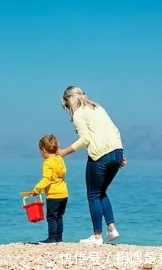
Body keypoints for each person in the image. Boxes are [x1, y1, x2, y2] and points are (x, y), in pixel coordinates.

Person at [57, 86, 127, 246]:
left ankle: (97, 237)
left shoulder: (79, 114)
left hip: (100, 155)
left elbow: (85, 139)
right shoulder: (98, 108)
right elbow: (115, 130)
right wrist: (120, 154)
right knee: (101, 192)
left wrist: (63, 152)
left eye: (67, 105)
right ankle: (112, 229)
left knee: (93, 194)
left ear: (70, 100)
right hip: (116, 151)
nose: (68, 109)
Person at [31, 134, 69, 244]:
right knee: (59, 217)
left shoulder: (47, 163)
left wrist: (36, 189)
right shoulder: (60, 159)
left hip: (53, 195)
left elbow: (46, 180)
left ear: (43, 150)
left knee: (52, 217)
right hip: (64, 194)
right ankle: (59, 238)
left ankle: (52, 238)